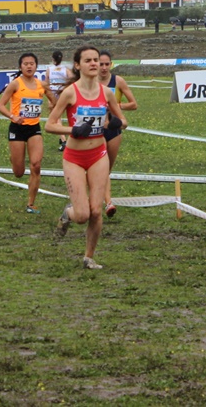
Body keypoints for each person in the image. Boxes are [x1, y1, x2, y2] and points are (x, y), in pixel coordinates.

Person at [44, 45, 127, 270]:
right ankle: (67, 214)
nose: (94, 64)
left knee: (96, 211)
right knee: (82, 214)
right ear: (78, 65)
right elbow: (50, 125)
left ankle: (89, 256)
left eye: (96, 60)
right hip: (74, 157)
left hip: (99, 154)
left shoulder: (106, 93)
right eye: (88, 60)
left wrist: (117, 123)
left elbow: (122, 120)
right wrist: (72, 130)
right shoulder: (71, 93)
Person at [0, 53, 56, 212]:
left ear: (36, 66)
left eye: (32, 63)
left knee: (36, 165)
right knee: (19, 172)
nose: (29, 66)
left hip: (33, 129)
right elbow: (0, 105)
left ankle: (30, 203)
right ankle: (15, 159)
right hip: (17, 128)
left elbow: (56, 101)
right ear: (20, 67)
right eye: (25, 64)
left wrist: (54, 107)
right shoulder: (15, 84)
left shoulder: (41, 85)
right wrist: (13, 116)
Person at [98, 50, 138, 217]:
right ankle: (108, 203)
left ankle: (99, 195)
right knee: (102, 166)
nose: (104, 67)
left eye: (107, 64)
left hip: (114, 129)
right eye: (101, 64)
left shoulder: (118, 81)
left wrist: (115, 106)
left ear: (111, 64)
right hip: (97, 130)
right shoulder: (90, 82)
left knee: (107, 169)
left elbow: (134, 104)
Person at [46, 51, 71, 151]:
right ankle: (64, 139)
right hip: (63, 94)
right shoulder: (66, 69)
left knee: (56, 118)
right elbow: (73, 79)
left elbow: (46, 83)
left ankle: (64, 140)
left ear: (53, 59)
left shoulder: (49, 69)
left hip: (52, 94)